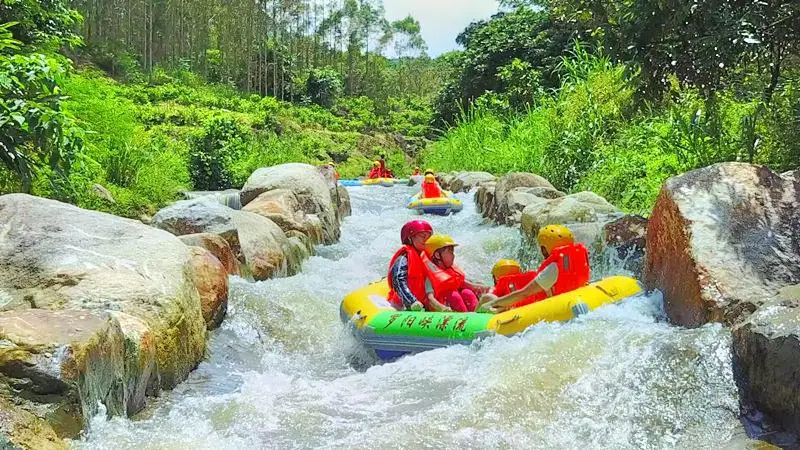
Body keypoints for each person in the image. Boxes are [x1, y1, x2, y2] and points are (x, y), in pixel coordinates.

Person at [478, 225, 590, 313]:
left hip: (549, 306)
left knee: (486, 299)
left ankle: (474, 314)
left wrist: (493, 304)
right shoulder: (580, 258)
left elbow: (524, 294)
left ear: (545, 249)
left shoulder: (552, 268)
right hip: (575, 299)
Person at [421, 234, 489, 312]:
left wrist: (488, 288)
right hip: (442, 308)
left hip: (455, 305)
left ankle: (477, 315)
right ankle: (465, 318)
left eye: (452, 252)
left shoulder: (451, 271)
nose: (453, 255)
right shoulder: (430, 276)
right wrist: (442, 308)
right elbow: (430, 299)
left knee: (467, 292)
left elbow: (470, 286)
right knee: (454, 295)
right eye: (450, 252)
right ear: (437, 255)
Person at [387, 220, 434, 311]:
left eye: (429, 237)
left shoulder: (430, 257)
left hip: (425, 302)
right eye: (423, 236)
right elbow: (399, 281)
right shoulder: (403, 258)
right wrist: (412, 301)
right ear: (410, 238)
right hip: (404, 305)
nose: (426, 240)